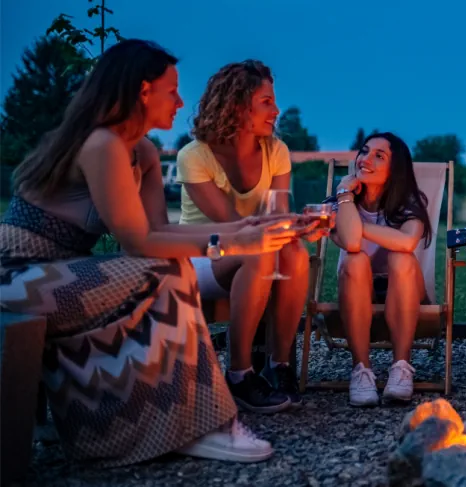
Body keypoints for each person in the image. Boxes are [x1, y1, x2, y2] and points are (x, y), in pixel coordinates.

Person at [0, 39, 296, 466]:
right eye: (171, 90)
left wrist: (247, 227)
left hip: (64, 273)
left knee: (170, 265)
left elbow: (158, 229)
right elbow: (138, 242)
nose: (179, 101)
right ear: (143, 91)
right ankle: (205, 423)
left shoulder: (142, 151)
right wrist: (235, 241)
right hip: (18, 276)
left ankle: (185, 420)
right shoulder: (101, 144)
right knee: (166, 269)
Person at [176, 60, 325, 414]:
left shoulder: (276, 151)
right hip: (200, 257)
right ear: (237, 105)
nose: (276, 110)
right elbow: (229, 226)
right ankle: (239, 374)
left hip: (256, 251)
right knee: (260, 250)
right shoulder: (194, 156)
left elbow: (275, 217)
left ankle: (279, 366)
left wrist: (301, 226)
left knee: (294, 252)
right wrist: (286, 226)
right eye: (266, 102)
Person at [332, 132, 433, 406]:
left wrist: (353, 222)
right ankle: (361, 371)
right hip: (357, 288)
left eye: (379, 156)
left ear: (395, 169)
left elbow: (407, 241)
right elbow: (352, 242)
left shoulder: (411, 203)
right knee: (355, 259)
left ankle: (401, 367)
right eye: (364, 152)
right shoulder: (343, 201)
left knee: (401, 257)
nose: (366, 159)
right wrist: (343, 194)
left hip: (405, 288)